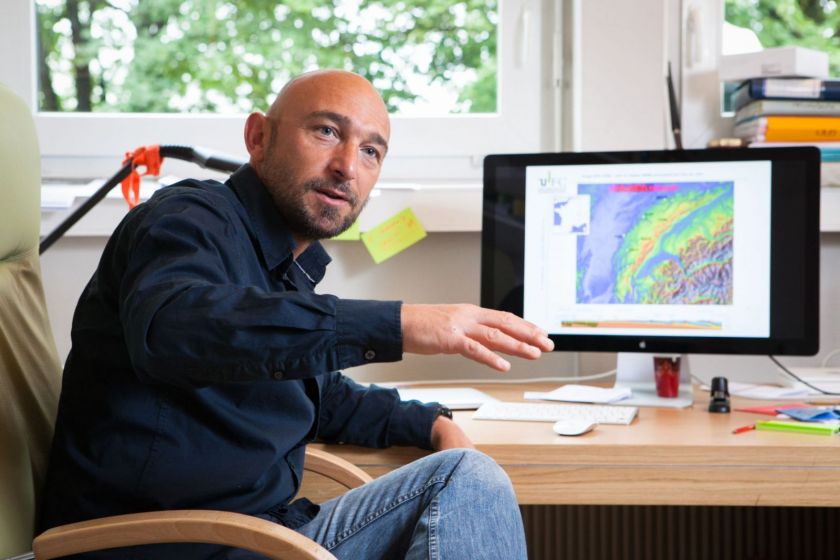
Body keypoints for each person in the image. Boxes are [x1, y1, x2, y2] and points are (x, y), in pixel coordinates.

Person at [39, 69, 554, 559]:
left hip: (253, 538)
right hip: (166, 547)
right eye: (327, 132)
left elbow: (318, 394)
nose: (347, 166)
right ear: (258, 137)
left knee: (456, 470)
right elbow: (175, 328)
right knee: (463, 479)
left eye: (371, 151)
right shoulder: (187, 220)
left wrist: (432, 424)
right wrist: (401, 323)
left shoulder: (285, 269)